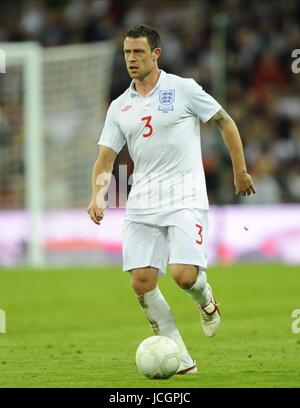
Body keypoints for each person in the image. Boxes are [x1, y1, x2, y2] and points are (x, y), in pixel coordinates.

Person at [87, 24, 255, 375]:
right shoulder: (120, 107)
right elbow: (105, 157)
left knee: (182, 275)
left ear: (156, 54)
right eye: (127, 53)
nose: (131, 59)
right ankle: (180, 359)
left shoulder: (183, 89)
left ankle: (206, 300)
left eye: (138, 53)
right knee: (142, 282)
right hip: (142, 202)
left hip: (185, 197)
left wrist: (240, 170)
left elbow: (226, 122)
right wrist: (98, 194)